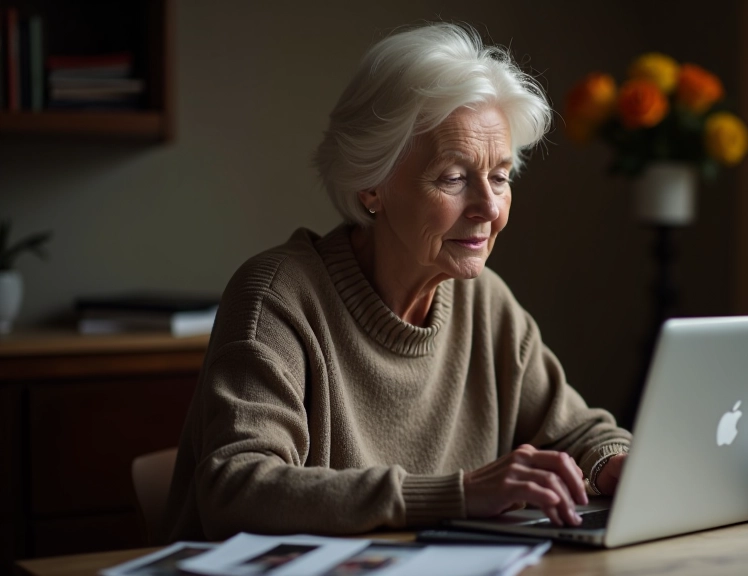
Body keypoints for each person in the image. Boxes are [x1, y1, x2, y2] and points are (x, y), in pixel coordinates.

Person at [160, 22, 631, 542]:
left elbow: (580, 431)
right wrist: (457, 494)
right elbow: (237, 489)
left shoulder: (485, 301)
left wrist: (611, 461)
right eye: (453, 177)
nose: (489, 207)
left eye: (499, 176)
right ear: (371, 187)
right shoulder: (277, 298)